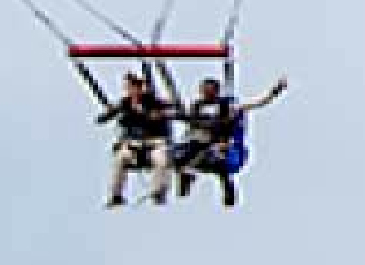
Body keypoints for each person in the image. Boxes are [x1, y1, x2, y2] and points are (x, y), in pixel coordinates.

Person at [173, 74, 289, 207]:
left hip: (226, 148)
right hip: (201, 145)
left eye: (209, 91)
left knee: (219, 159)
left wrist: (275, 91)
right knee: (179, 155)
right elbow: (182, 118)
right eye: (203, 90)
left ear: (216, 91)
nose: (205, 94)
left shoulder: (229, 106)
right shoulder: (196, 107)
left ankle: (227, 189)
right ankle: (185, 180)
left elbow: (258, 103)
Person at [95, 71, 181, 208]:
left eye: (133, 88)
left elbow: (172, 107)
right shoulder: (125, 103)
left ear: (140, 88)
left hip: (154, 144)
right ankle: (116, 195)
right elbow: (108, 115)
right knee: (120, 159)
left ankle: (159, 190)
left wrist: (160, 114)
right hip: (134, 146)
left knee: (161, 160)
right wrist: (107, 115)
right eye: (128, 88)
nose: (130, 92)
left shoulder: (153, 102)